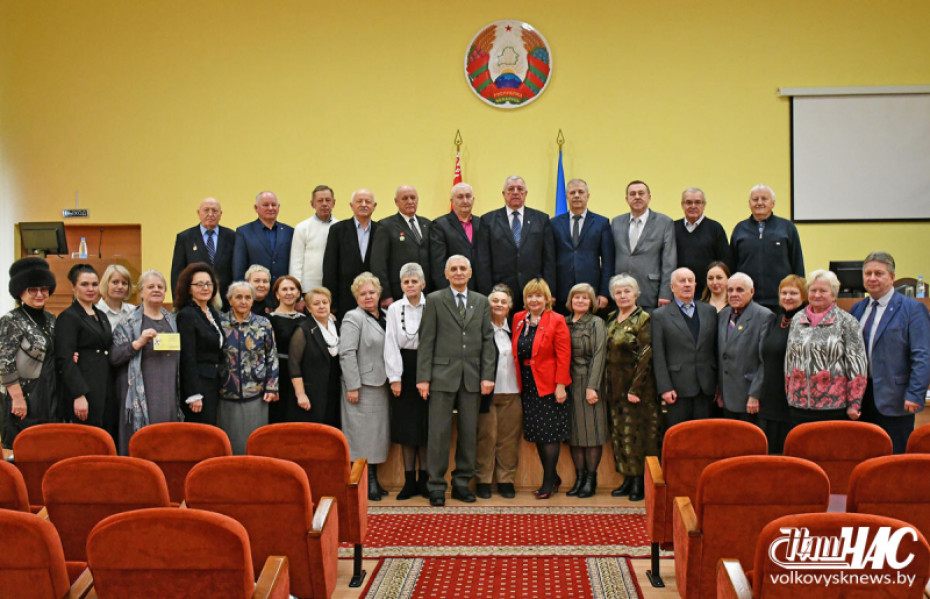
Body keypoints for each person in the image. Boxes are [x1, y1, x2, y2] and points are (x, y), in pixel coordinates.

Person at [416, 255, 496, 507]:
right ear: (446, 273)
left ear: (470, 273)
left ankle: (462, 483)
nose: (459, 272)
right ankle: (436, 485)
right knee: (438, 433)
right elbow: (426, 340)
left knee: (469, 432)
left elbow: (487, 341)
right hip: (441, 377)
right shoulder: (435, 299)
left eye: (463, 268)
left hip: (472, 378)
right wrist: (423, 378)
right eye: (454, 269)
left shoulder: (482, 302)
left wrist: (487, 375)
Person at [851, 252, 930, 453]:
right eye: (868, 273)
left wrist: (915, 393)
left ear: (892, 277)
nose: (872, 278)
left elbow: (922, 354)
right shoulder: (857, 309)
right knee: (865, 455)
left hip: (896, 399)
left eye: (879, 273)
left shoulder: (912, 309)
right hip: (861, 399)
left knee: (894, 459)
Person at [511, 278, 571, 500]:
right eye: (530, 296)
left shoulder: (556, 320)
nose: (534, 300)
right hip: (527, 384)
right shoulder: (518, 319)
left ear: (547, 299)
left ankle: (548, 482)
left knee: (549, 434)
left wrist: (561, 385)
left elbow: (564, 355)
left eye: (538, 296)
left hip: (549, 384)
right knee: (536, 432)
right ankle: (552, 476)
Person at [109, 270, 180, 455]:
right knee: (143, 447)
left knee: (167, 443)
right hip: (140, 396)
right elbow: (114, 357)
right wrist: (137, 343)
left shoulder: (172, 320)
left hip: (169, 394)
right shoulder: (128, 323)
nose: (156, 290)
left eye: (160, 287)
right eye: (150, 287)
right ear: (140, 292)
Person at [602, 274, 659, 501]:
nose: (622, 296)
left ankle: (638, 483)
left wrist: (635, 389)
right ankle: (626, 478)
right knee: (618, 433)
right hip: (613, 387)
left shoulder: (644, 319)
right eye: (618, 292)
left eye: (627, 291)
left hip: (637, 389)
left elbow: (646, 356)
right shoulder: (610, 318)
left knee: (636, 436)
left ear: (636, 293)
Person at [785, 270, 868, 425]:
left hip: (833, 406)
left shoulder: (847, 322)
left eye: (823, 291)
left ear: (833, 295)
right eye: (813, 290)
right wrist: (789, 392)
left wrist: (854, 403)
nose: (817, 295)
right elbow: (789, 359)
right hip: (798, 404)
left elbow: (857, 365)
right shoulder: (797, 319)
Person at [339, 272, 391, 501]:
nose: (368, 297)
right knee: (360, 436)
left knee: (377, 436)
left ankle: (375, 480)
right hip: (360, 386)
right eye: (363, 294)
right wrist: (353, 385)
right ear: (356, 297)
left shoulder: (386, 316)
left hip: (382, 384)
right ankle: (365, 483)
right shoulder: (353, 317)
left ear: (379, 294)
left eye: (372, 292)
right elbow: (346, 353)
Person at [0, 257, 58, 448]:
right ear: (20, 292)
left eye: (44, 289)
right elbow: (4, 361)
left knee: (48, 448)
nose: (40, 294)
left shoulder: (51, 319)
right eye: (33, 289)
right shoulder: (11, 320)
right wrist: (17, 398)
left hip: (48, 394)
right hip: (22, 397)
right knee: (22, 450)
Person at [651, 267, 718, 430]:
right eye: (682, 281)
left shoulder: (709, 311)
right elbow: (658, 354)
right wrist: (665, 388)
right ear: (672, 287)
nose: (687, 285)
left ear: (695, 285)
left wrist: (718, 385)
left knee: (704, 435)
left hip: (706, 387)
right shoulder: (660, 315)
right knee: (680, 437)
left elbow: (715, 349)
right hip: (677, 388)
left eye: (690, 281)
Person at [476, 176, 556, 311]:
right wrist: (487, 293)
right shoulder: (488, 221)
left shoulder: (541, 219)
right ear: (503, 194)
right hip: (500, 293)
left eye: (520, 189)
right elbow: (483, 261)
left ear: (525, 193)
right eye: (510, 189)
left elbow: (549, 259)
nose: (515, 192)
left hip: (534, 292)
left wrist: (550, 292)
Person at [383, 263, 429, 499]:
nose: (410, 285)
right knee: (406, 428)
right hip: (403, 367)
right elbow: (390, 342)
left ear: (423, 283)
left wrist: (428, 377)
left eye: (414, 281)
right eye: (406, 282)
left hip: (427, 370)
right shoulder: (394, 309)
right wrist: (394, 378)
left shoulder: (432, 305)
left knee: (425, 429)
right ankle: (409, 481)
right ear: (401, 285)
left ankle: (426, 481)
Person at [218, 281, 279, 454]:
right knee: (229, 446)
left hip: (256, 393)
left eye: (247, 297)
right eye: (238, 297)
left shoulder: (263, 324)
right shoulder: (220, 323)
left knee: (255, 445)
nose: (243, 301)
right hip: (226, 392)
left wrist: (272, 386)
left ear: (252, 301)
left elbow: (272, 356)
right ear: (230, 300)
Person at [475, 284, 522, 499]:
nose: (499, 305)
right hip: (487, 393)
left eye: (504, 302)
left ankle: (506, 480)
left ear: (510, 306)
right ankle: (483, 480)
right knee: (487, 437)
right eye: (495, 301)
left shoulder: (517, 329)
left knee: (508, 440)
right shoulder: (481, 329)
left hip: (512, 392)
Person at [730, 184, 804, 312]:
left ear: (773, 203)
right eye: (755, 199)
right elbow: (732, 266)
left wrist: (800, 296)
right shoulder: (740, 229)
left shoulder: (787, 228)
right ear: (749, 203)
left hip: (781, 302)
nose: (759, 202)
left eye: (764, 199)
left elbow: (797, 263)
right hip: (748, 302)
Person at [564, 283, 608, 499]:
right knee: (574, 434)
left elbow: (599, 355)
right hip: (567, 384)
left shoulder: (597, 323)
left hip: (590, 382)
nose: (580, 301)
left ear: (591, 302)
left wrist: (593, 386)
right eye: (576, 297)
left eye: (585, 298)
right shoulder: (563, 322)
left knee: (591, 434)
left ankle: (591, 478)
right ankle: (579, 477)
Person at [55, 264, 112, 428]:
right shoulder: (68, 317)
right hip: (85, 389)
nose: (91, 289)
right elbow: (65, 360)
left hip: (105, 385)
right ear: (73, 287)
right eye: (84, 284)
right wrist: (78, 395)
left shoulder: (100, 315)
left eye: (94, 284)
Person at [716, 272, 775, 424]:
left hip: (749, 397)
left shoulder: (764, 316)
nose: (734, 294)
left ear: (752, 291)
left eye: (740, 290)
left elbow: (765, 361)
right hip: (727, 395)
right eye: (730, 290)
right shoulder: (722, 315)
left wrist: (755, 394)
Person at [758, 275, 807, 454]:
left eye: (793, 293)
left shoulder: (807, 322)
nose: (787, 297)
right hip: (770, 398)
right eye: (784, 293)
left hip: (793, 401)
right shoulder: (775, 319)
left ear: (804, 296)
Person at [322, 189, 389, 318]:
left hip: (374, 300)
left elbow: (385, 266)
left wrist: (385, 295)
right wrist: (332, 302)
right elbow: (330, 267)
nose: (364, 204)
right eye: (359, 201)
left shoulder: (382, 230)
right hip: (345, 299)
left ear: (374, 206)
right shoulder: (338, 230)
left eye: (368, 202)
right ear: (351, 205)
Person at [550, 179, 614, 313]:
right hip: (562, 294)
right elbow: (548, 260)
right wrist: (550, 292)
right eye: (572, 192)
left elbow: (608, 261)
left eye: (581, 192)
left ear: (588, 196)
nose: (577, 195)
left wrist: (604, 292)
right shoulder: (554, 223)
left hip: (591, 293)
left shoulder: (601, 223)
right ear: (567, 196)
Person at [610, 180, 677, 310]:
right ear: (627, 199)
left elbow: (669, 261)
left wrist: (665, 292)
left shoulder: (664, 222)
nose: (637, 197)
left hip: (650, 292)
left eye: (641, 193)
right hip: (620, 293)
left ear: (649, 197)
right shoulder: (617, 222)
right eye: (633, 194)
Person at [175, 263, 224, 426]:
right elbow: (188, 357)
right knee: (202, 433)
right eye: (199, 284)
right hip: (199, 387)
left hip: (214, 381)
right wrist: (194, 393)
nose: (205, 288)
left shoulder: (212, 312)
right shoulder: (187, 314)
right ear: (189, 288)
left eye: (208, 283)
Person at [288, 287, 341, 427]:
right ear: (309, 308)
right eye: (316, 303)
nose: (322, 306)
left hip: (335, 392)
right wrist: (300, 394)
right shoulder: (303, 329)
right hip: (312, 394)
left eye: (325, 302)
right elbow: (294, 365)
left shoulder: (337, 325)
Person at [171, 197, 235, 304]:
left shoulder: (232, 237)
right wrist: (178, 302)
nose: (210, 214)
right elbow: (177, 273)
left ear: (221, 213)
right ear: (198, 212)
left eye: (214, 211)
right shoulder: (185, 238)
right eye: (206, 210)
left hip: (226, 302)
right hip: (194, 302)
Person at [674, 188, 731, 299]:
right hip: (679, 293)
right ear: (682, 205)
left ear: (704, 205)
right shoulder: (672, 228)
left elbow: (725, 261)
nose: (693, 206)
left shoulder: (715, 228)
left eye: (698, 202)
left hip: (708, 293)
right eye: (689, 202)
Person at [380, 186, 432, 302]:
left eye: (413, 198)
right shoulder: (386, 226)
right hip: (398, 292)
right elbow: (379, 263)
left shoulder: (427, 224)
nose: (410, 201)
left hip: (426, 291)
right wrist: (385, 295)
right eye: (405, 198)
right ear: (396, 202)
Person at [232, 191, 295, 282]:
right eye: (265, 205)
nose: (270, 208)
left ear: (278, 207)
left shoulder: (289, 231)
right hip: (256, 290)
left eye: (273, 205)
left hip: (282, 290)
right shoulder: (244, 232)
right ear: (256, 208)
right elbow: (239, 267)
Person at [429, 182, 482, 291]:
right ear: (452, 201)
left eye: (468, 196)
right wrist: (447, 292)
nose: (465, 201)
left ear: (473, 199)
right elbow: (438, 265)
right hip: (452, 289)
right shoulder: (439, 225)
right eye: (460, 197)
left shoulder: (482, 224)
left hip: (479, 290)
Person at [267, 276, 305, 424]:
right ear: (277, 294)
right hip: (279, 374)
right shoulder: (269, 319)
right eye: (284, 289)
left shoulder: (306, 319)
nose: (289, 293)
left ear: (298, 293)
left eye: (292, 289)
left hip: (302, 374)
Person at [289, 185, 338, 293]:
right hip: (308, 289)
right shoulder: (302, 228)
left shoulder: (340, 227)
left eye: (328, 200)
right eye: (320, 200)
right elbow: (296, 263)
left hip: (334, 290)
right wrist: (297, 294)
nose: (324, 204)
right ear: (312, 204)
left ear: (333, 203)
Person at [96, 264, 135, 329]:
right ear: (106, 284)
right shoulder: (94, 313)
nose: (120, 286)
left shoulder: (133, 311)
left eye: (124, 283)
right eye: (115, 282)